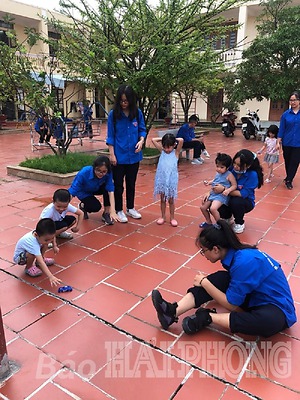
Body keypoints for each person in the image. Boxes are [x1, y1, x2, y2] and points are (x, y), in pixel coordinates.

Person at [152, 220, 296, 337]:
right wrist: (207, 283)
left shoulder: (244, 261)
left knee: (268, 322)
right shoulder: (237, 255)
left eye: (203, 251)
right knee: (221, 278)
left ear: (215, 249)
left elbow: (231, 304)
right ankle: (172, 312)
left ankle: (207, 317)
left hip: (275, 307)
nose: (203, 255)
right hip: (254, 295)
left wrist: (204, 282)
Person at [106, 84, 147, 223]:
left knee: (131, 183)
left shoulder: (137, 113)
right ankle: (119, 209)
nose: (124, 103)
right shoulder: (114, 115)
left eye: (126, 100)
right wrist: (112, 154)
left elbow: (142, 129)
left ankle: (130, 208)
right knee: (118, 185)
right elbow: (110, 136)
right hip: (119, 155)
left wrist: (141, 141)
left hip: (134, 155)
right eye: (121, 100)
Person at [215, 149, 264, 234]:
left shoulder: (252, 175)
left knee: (236, 202)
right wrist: (209, 193)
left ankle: (239, 222)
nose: (235, 166)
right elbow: (218, 181)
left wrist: (223, 190)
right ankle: (227, 217)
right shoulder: (230, 169)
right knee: (213, 200)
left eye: (239, 165)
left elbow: (242, 193)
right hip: (228, 196)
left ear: (248, 166)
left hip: (244, 201)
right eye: (234, 163)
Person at [69, 156, 119, 225]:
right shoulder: (84, 172)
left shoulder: (108, 173)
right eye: (98, 171)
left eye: (104, 171)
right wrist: (64, 206)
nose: (101, 174)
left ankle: (106, 213)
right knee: (95, 207)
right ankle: (82, 206)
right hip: (83, 191)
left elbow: (110, 190)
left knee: (113, 188)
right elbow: (73, 190)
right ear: (93, 168)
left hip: (97, 188)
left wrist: (112, 211)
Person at [13, 218, 62, 286]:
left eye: (51, 239)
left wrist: (55, 246)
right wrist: (51, 276)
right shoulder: (32, 243)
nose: (49, 241)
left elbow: (52, 237)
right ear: (36, 235)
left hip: (31, 250)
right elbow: (40, 262)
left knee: (44, 244)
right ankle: (28, 267)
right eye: (47, 240)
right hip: (20, 258)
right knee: (32, 254)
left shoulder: (42, 235)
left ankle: (41, 258)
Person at [152, 134, 184, 227]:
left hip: (171, 180)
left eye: (169, 147)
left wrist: (174, 139)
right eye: (165, 147)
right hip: (162, 179)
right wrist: (164, 139)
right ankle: (162, 216)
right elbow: (153, 139)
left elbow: (181, 140)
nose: (167, 149)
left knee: (171, 200)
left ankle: (172, 217)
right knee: (162, 199)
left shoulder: (176, 153)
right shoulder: (162, 151)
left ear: (174, 145)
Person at [199, 153, 237, 228]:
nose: (218, 169)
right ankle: (208, 221)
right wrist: (209, 182)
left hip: (221, 195)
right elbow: (216, 180)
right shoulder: (218, 173)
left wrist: (228, 190)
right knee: (203, 207)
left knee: (213, 208)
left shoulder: (229, 175)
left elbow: (234, 185)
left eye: (221, 167)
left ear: (227, 167)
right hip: (213, 193)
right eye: (217, 166)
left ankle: (220, 224)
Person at [276, 91, 300, 190]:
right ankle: (288, 176)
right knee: (288, 161)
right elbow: (282, 129)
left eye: (295, 100)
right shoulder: (285, 115)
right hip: (287, 142)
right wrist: (278, 142)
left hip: (298, 143)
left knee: (295, 161)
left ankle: (289, 180)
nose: (293, 102)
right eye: (291, 100)